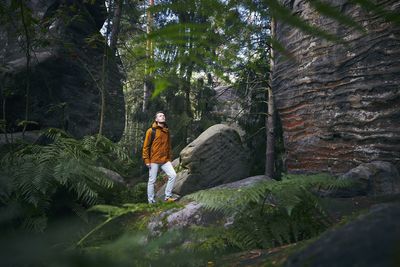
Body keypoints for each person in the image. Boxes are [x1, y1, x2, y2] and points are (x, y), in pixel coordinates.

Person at [142, 111, 177, 203]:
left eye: (163, 115)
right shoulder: (151, 131)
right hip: (154, 160)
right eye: (160, 116)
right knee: (152, 181)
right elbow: (146, 147)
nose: (163, 117)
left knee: (173, 175)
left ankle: (167, 197)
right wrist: (146, 160)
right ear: (156, 119)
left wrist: (169, 158)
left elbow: (169, 146)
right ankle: (151, 202)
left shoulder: (166, 131)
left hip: (165, 160)